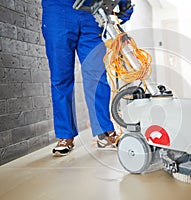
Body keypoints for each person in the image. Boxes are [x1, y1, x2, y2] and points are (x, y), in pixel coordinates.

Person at [41, 0, 133, 156]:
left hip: (91, 11)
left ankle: (104, 132)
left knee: (96, 76)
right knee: (60, 77)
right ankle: (65, 135)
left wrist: (125, 5)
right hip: (57, 10)